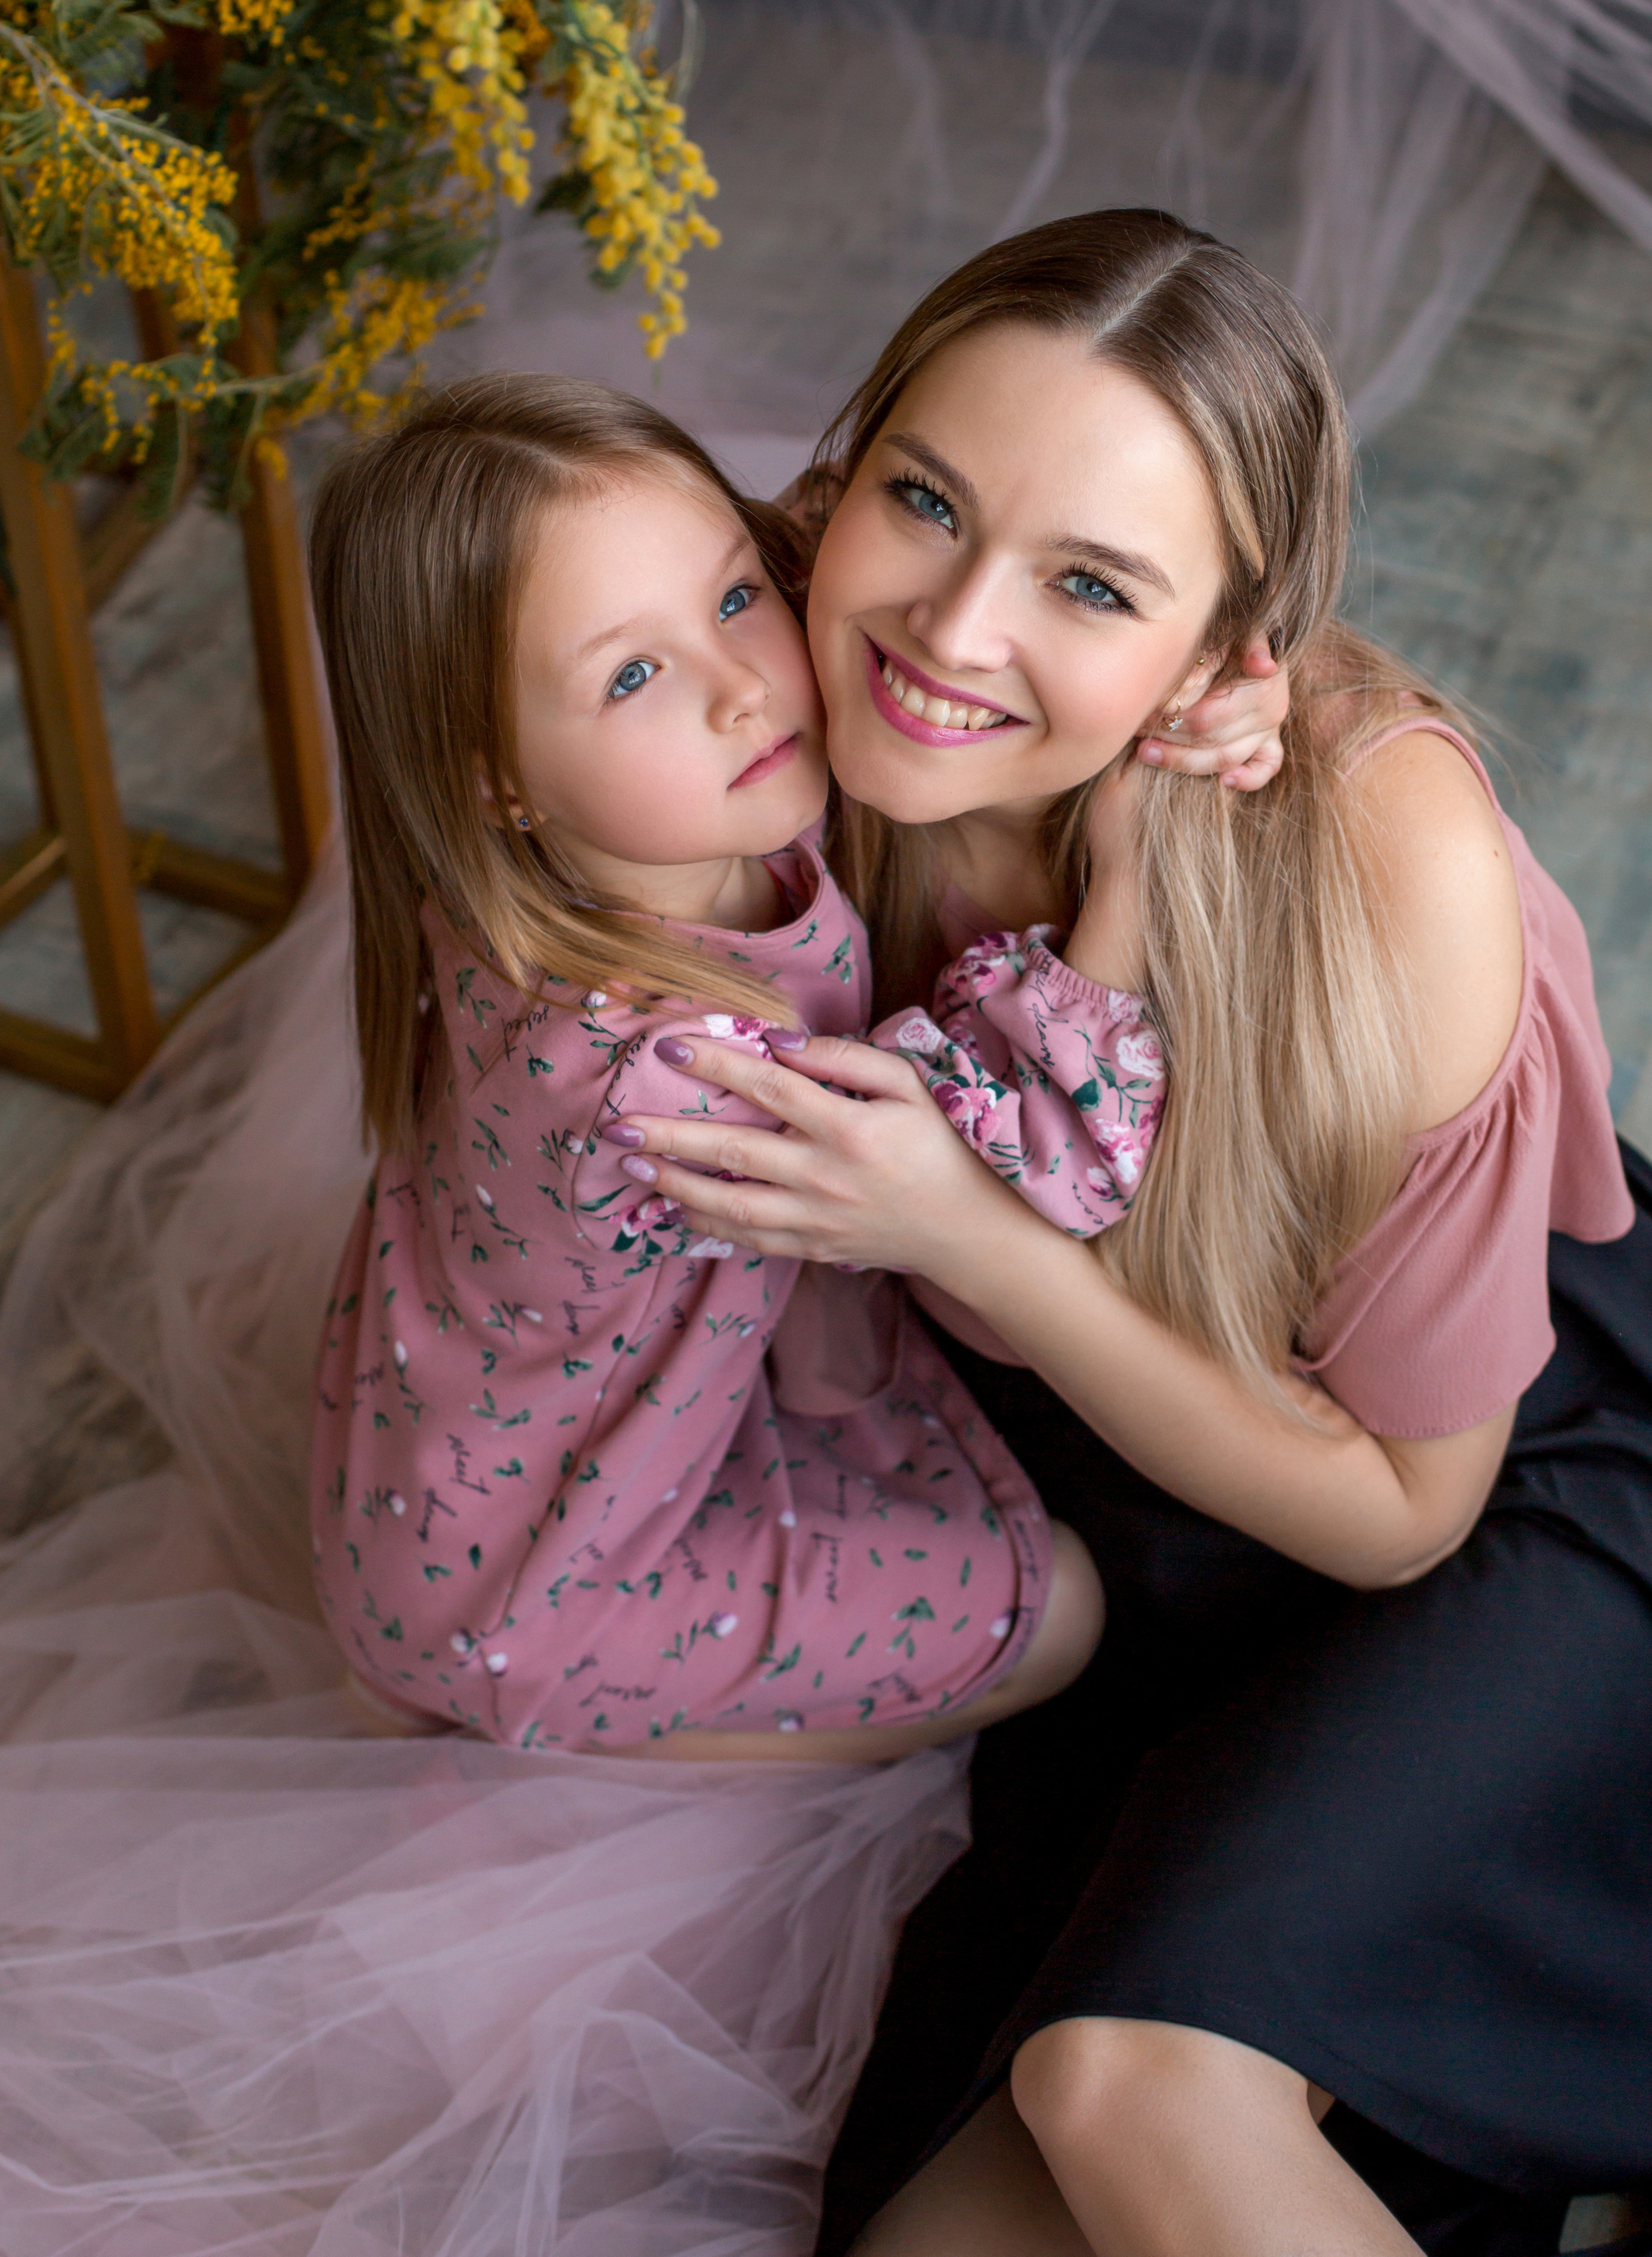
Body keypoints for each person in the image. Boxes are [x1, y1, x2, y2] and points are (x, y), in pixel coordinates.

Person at [592, 209, 1652, 2257]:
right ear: (841, 473)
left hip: (1521, 1495)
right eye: (924, 499)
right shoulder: (760, 716)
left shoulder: (1375, 849)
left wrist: (972, 1237)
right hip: (1149, 1552)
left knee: (1134, 2083)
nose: (951, 627)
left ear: (1222, 656)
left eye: (1092, 584)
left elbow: (1402, 1515)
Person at [307, 374, 1148, 1754]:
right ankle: (556, 1749)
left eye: (735, 598)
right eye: (630, 676)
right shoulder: (657, 1076)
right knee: (1055, 1614)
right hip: (532, 1593)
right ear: (493, 778)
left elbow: (834, 561)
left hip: (462, 1484)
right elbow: (1042, 1153)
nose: (739, 687)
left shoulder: (566, 857)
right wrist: (1124, 888)